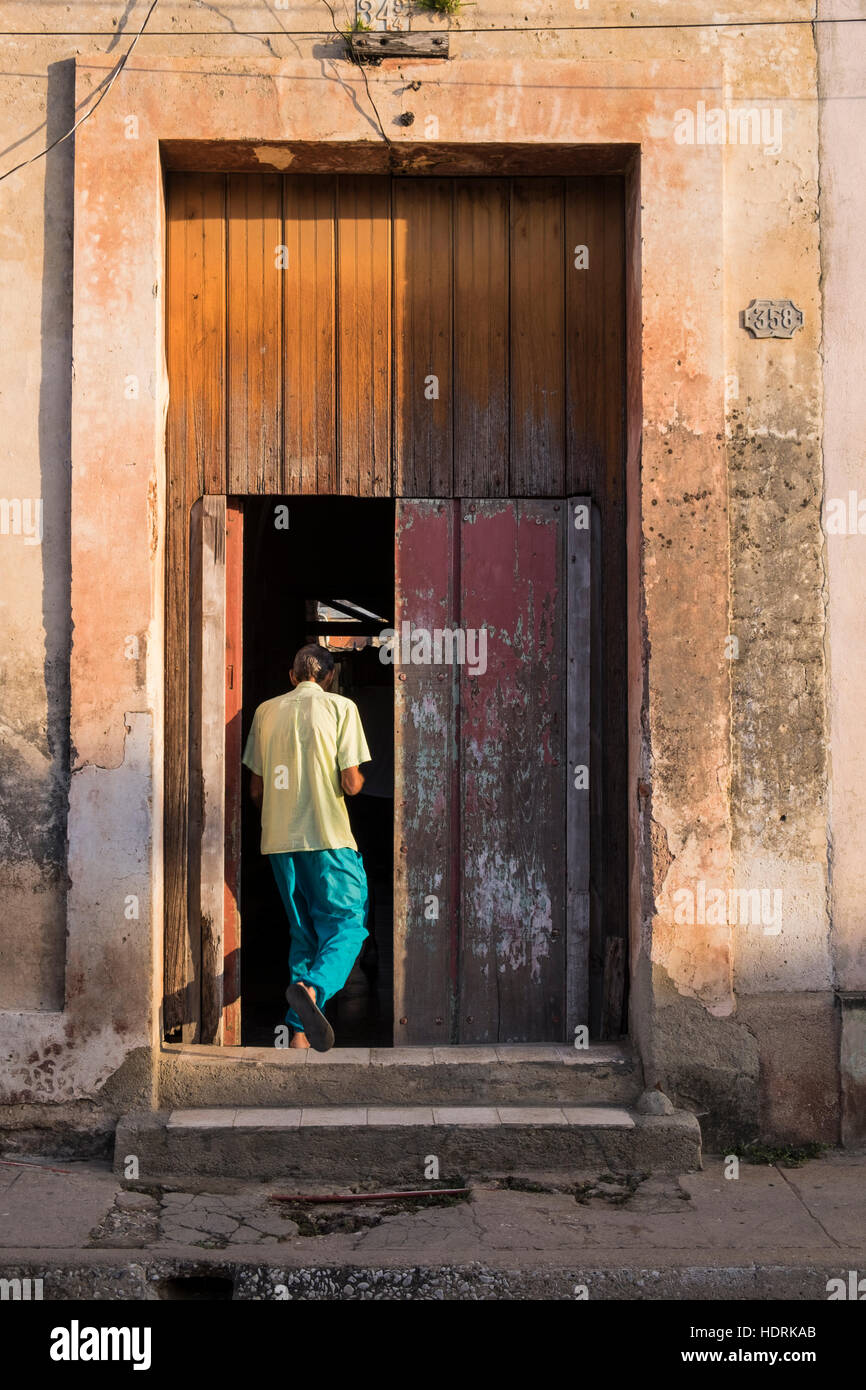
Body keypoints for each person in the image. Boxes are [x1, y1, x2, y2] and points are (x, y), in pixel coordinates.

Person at [242, 644, 371, 1051]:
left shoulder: (265, 712)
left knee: (305, 934)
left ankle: (298, 1034)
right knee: (348, 925)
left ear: (291, 675)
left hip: (280, 842)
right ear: (330, 676)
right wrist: (359, 784)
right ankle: (314, 991)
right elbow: (350, 782)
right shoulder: (340, 708)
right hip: (328, 839)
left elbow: (257, 790)